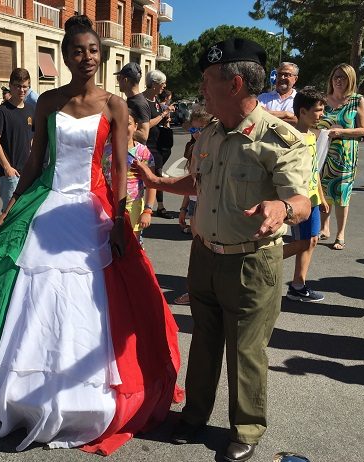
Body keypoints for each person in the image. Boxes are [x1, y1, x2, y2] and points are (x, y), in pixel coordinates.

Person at [0, 15, 182, 455]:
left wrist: (118, 219)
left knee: (92, 300)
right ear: (64, 55)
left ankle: (83, 394)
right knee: (24, 295)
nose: (86, 57)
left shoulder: (114, 105)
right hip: (47, 205)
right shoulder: (48, 102)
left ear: (102, 54)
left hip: (92, 209)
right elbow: (36, 162)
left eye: (93, 50)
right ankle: (14, 389)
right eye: (77, 50)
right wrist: (10, 208)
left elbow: (116, 168)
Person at [133, 38, 311, 462]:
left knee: (246, 351)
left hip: (252, 262)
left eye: (207, 81)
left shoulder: (279, 137)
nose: (201, 89)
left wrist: (281, 207)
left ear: (233, 83)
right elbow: (199, 182)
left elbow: (303, 202)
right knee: (206, 342)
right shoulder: (210, 133)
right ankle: (194, 416)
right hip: (204, 255)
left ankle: (246, 429)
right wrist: (159, 185)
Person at [282, 87, 328, 302]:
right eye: (318, 110)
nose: (321, 115)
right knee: (304, 242)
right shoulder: (291, 137)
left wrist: (321, 197)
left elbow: (314, 170)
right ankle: (259, 259)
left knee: (312, 240)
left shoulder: (311, 136)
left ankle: (298, 285)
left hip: (313, 200)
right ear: (303, 111)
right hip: (300, 201)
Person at [317, 63, 364, 250]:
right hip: (323, 152)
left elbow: (363, 130)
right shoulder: (324, 99)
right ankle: (325, 228)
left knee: (342, 194)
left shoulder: (356, 100)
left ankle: (340, 234)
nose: (339, 80)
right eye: (336, 76)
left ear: (351, 80)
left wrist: (341, 132)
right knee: (324, 191)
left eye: (343, 77)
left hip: (345, 155)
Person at [174, 104, 213, 306]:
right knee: (198, 250)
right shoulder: (192, 147)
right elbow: (190, 181)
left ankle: (198, 292)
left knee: (205, 251)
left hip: (210, 205)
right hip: (195, 205)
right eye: (193, 130)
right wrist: (183, 207)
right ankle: (195, 291)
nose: (196, 134)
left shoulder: (216, 147)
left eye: (201, 129)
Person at [101, 109, 155, 246]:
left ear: (136, 126)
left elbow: (152, 184)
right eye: (118, 124)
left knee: (133, 247)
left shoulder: (143, 152)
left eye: (128, 124)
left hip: (134, 208)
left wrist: (148, 210)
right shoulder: (104, 151)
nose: (123, 128)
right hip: (107, 207)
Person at [0, 68, 34, 211]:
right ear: (10, 86)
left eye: (25, 86)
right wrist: (7, 167)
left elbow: (32, 140)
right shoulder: (2, 111)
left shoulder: (31, 110)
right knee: (10, 212)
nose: (21, 90)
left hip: (27, 172)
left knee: (25, 212)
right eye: (17, 86)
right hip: (10, 173)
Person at [142, 69, 175, 219]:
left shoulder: (154, 100)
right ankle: (147, 208)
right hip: (146, 146)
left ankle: (156, 207)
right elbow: (146, 125)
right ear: (154, 84)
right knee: (151, 178)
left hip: (157, 144)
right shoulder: (142, 101)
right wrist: (163, 114)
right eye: (162, 83)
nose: (164, 86)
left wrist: (165, 118)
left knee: (157, 176)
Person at [115, 62, 150, 143]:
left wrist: (118, 130)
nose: (118, 82)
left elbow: (144, 135)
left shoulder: (139, 103)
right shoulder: (131, 100)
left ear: (125, 80)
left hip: (134, 153)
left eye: (118, 78)